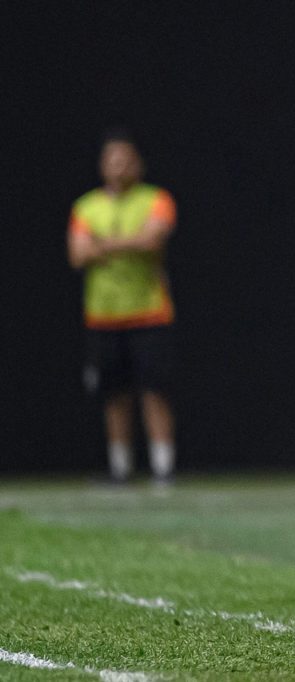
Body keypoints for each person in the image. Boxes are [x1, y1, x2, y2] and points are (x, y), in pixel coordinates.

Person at [67, 129, 178, 485]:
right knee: (114, 393)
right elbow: (78, 254)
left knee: (154, 389)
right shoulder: (86, 206)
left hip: (148, 311)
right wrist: (124, 245)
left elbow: (151, 240)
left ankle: (163, 466)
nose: (118, 167)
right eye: (111, 161)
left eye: (124, 160)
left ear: (137, 164)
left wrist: (105, 245)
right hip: (103, 314)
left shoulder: (156, 199)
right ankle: (120, 468)